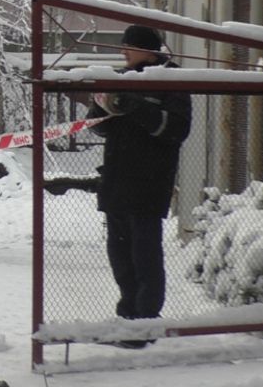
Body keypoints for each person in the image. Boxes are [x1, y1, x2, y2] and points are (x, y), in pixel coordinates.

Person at [87, 24, 191, 344]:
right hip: (116, 183)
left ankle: (144, 323)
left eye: (129, 46)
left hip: (148, 186)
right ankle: (127, 315)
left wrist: (135, 106)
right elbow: (97, 126)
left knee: (145, 257)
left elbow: (176, 130)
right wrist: (102, 106)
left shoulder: (171, 81)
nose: (123, 51)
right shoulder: (120, 78)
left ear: (148, 50)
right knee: (120, 257)